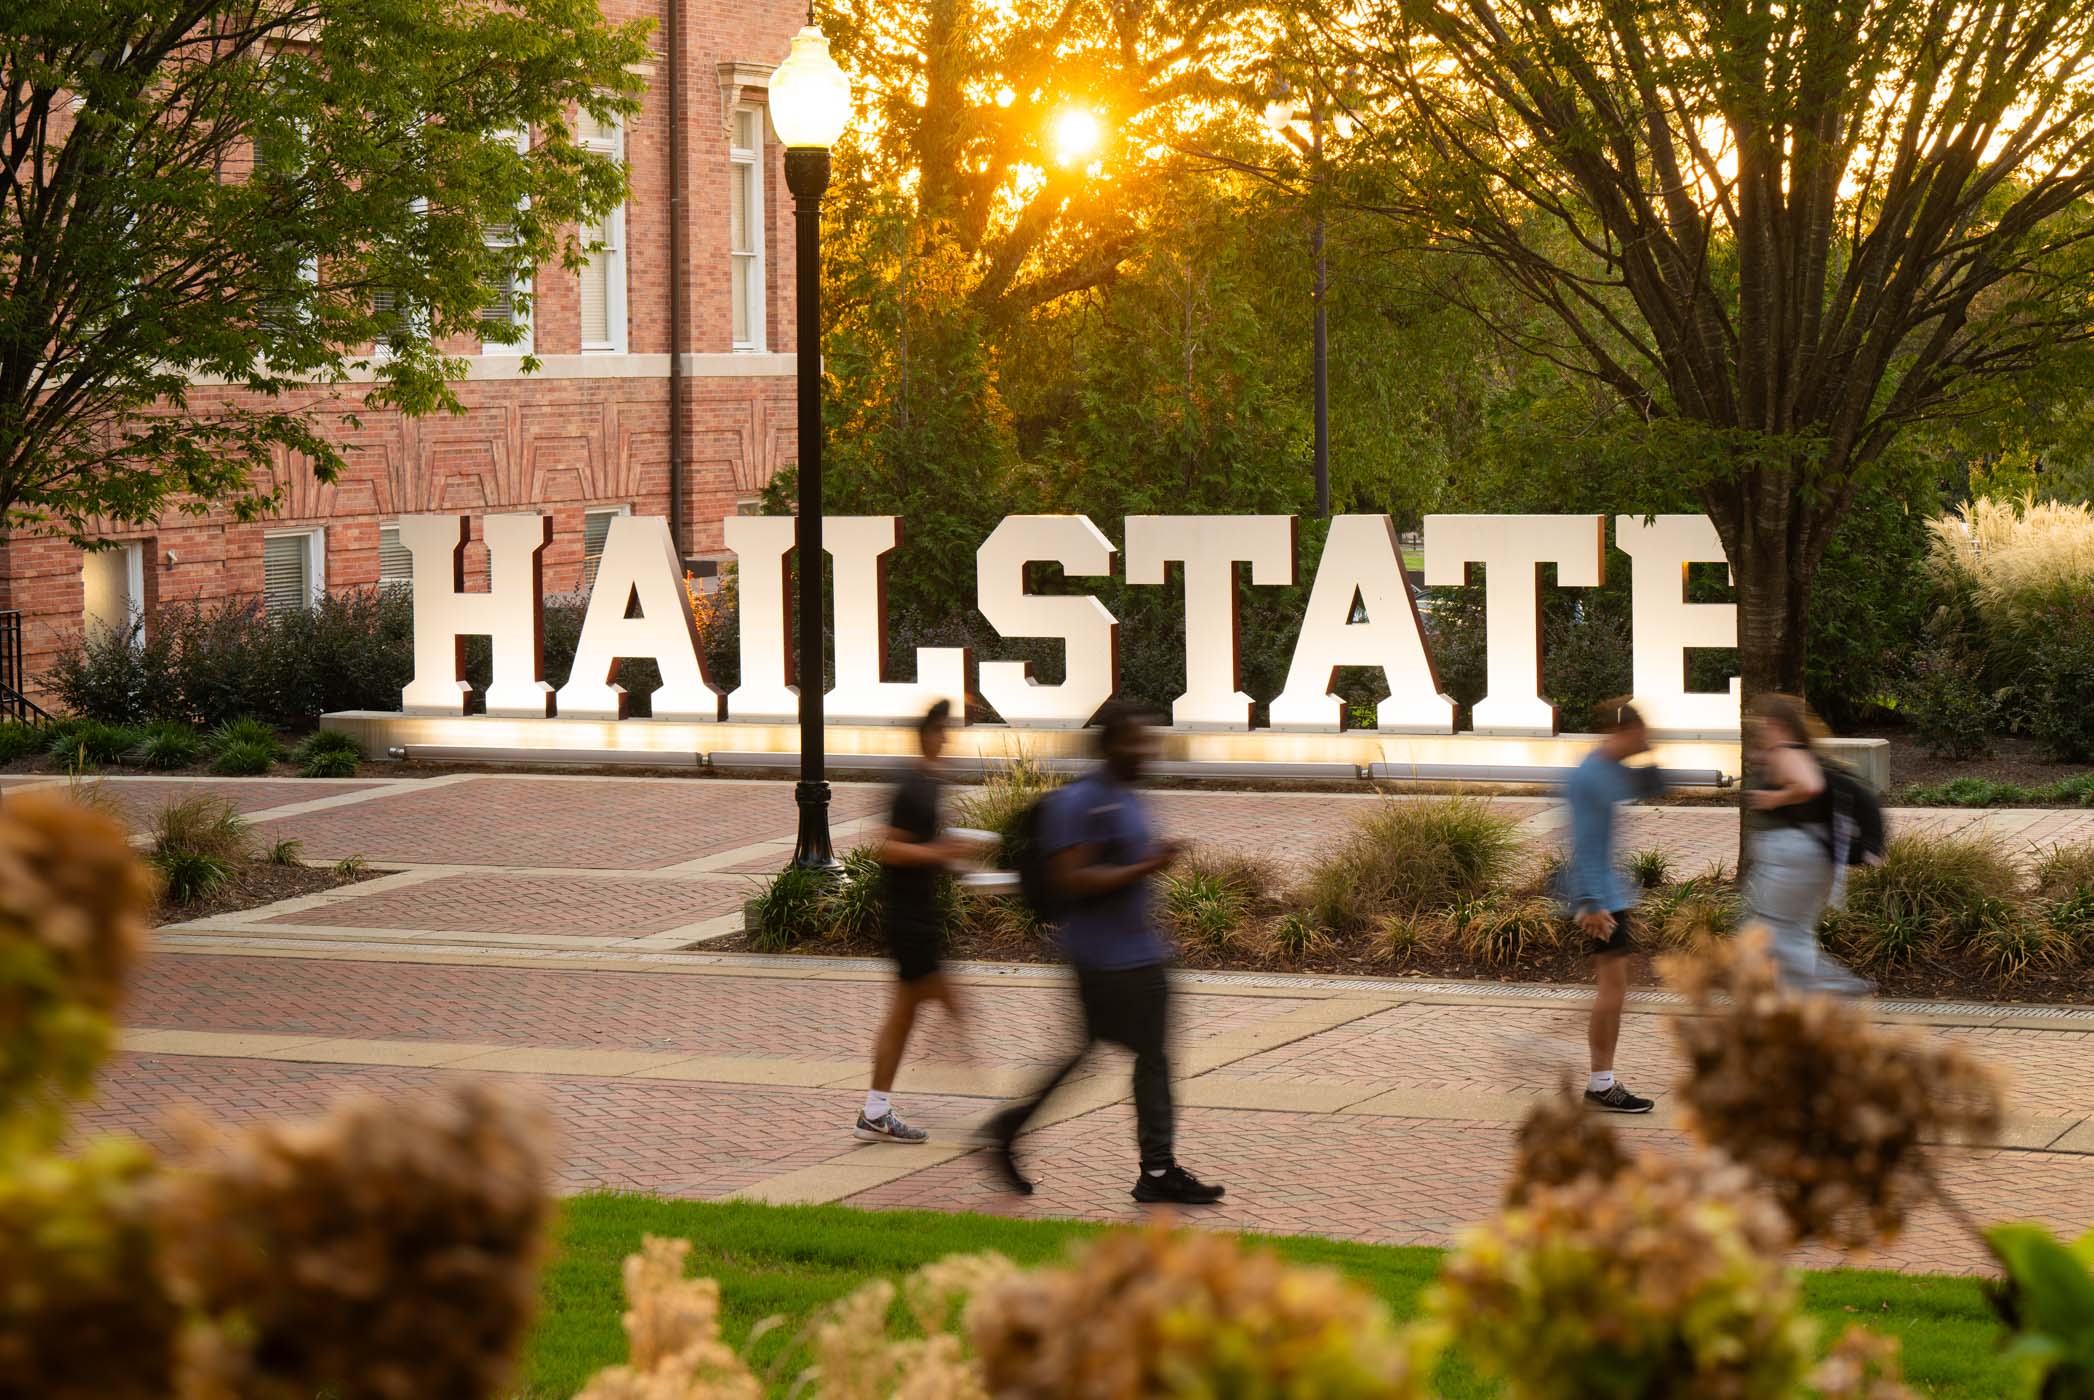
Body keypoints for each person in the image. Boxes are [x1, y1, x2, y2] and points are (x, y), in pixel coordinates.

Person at [985, 703, 1225, 1205]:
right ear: (1113, 745)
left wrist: (1148, 863)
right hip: (1107, 960)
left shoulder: (1125, 796)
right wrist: (1146, 866)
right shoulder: (1083, 803)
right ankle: (1157, 1171)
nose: (1147, 750)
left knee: (1110, 1055)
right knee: (1150, 1059)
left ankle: (1010, 1129)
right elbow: (1071, 879)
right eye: (1137, 741)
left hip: (1135, 952)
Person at [854, 699, 974, 1143]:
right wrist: (942, 852)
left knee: (911, 1013)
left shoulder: (930, 781)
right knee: (940, 1007)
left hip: (917, 915)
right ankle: (975, 1093)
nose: (947, 739)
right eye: (943, 731)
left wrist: (953, 850)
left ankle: (877, 1109)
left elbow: (924, 844)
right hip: (908, 918)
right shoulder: (911, 784)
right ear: (928, 734)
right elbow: (890, 849)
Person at [1560, 699, 1662, 1113]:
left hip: (1610, 894)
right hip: (1600, 899)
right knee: (1613, 990)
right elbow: (1581, 842)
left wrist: (1649, 753)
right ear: (1622, 733)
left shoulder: (1606, 768)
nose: (1647, 741)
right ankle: (1600, 1082)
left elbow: (1655, 785)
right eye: (1641, 735)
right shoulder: (1590, 776)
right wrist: (1588, 901)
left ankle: (1591, 1068)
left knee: (1617, 988)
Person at [1742, 693, 1871, 997]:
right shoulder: (1792, 752)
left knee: (1771, 932)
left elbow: (1810, 785)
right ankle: (1812, 993)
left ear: (1775, 723)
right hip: (1806, 858)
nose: (1759, 728)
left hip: (1791, 859)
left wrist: (1775, 798)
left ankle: (1825, 984)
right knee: (1788, 932)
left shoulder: (1788, 753)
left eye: (1762, 723)